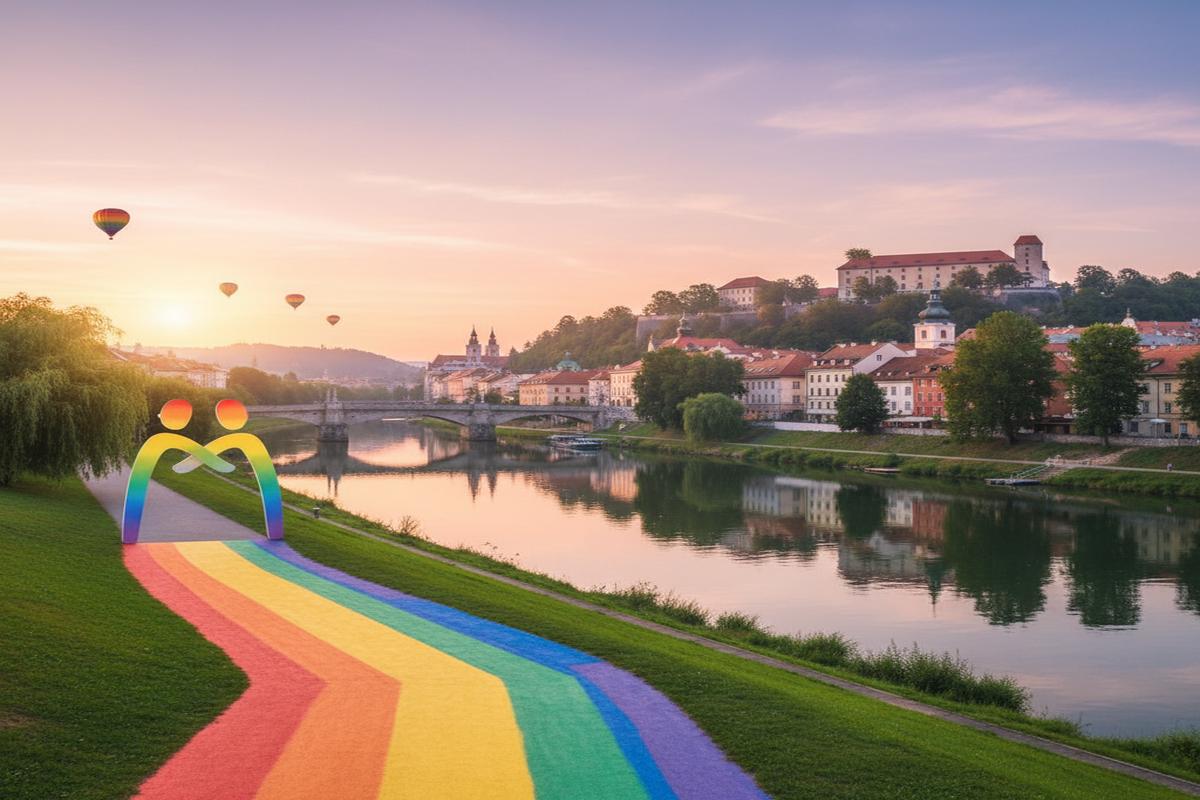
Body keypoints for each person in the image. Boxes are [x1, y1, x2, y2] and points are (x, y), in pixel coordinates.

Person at [122, 399, 235, 544]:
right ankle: (130, 534)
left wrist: (206, 461)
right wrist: (213, 462)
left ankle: (130, 534)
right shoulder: (157, 441)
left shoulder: (157, 441)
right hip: (206, 456)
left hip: (205, 456)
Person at [173, 399, 285, 540]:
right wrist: (211, 463)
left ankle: (275, 530)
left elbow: (206, 454)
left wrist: (195, 463)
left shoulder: (249, 440)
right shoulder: (249, 441)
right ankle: (275, 530)